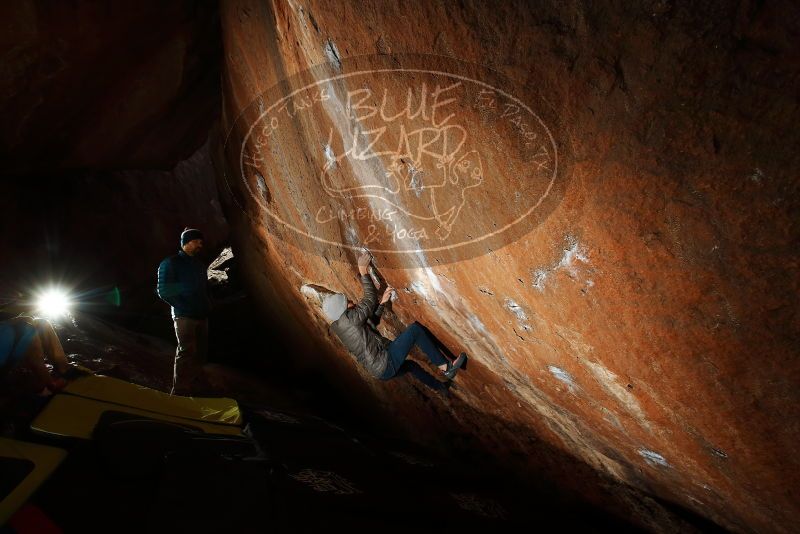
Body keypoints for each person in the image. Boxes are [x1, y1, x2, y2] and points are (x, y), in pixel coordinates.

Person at [323, 252, 467, 383]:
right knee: (415, 330)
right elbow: (369, 299)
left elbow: (371, 324)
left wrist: (382, 303)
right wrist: (363, 271)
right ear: (342, 310)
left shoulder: (343, 326)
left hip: (379, 371)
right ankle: (446, 367)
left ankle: (441, 388)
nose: (352, 301)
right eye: (347, 302)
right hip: (384, 363)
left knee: (411, 366)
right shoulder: (349, 319)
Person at [157, 228, 211, 395]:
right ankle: (180, 390)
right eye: (197, 241)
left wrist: (207, 305)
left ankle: (195, 387)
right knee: (186, 351)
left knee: (200, 353)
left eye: (201, 242)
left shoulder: (200, 266)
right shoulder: (170, 263)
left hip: (202, 316)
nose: (200, 245)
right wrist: (184, 306)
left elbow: (204, 290)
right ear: (186, 242)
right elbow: (164, 290)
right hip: (184, 316)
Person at [0, 315, 69, 397]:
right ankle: (63, 368)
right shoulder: (29, 332)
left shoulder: (6, 327)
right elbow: (40, 369)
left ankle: (62, 366)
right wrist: (54, 383)